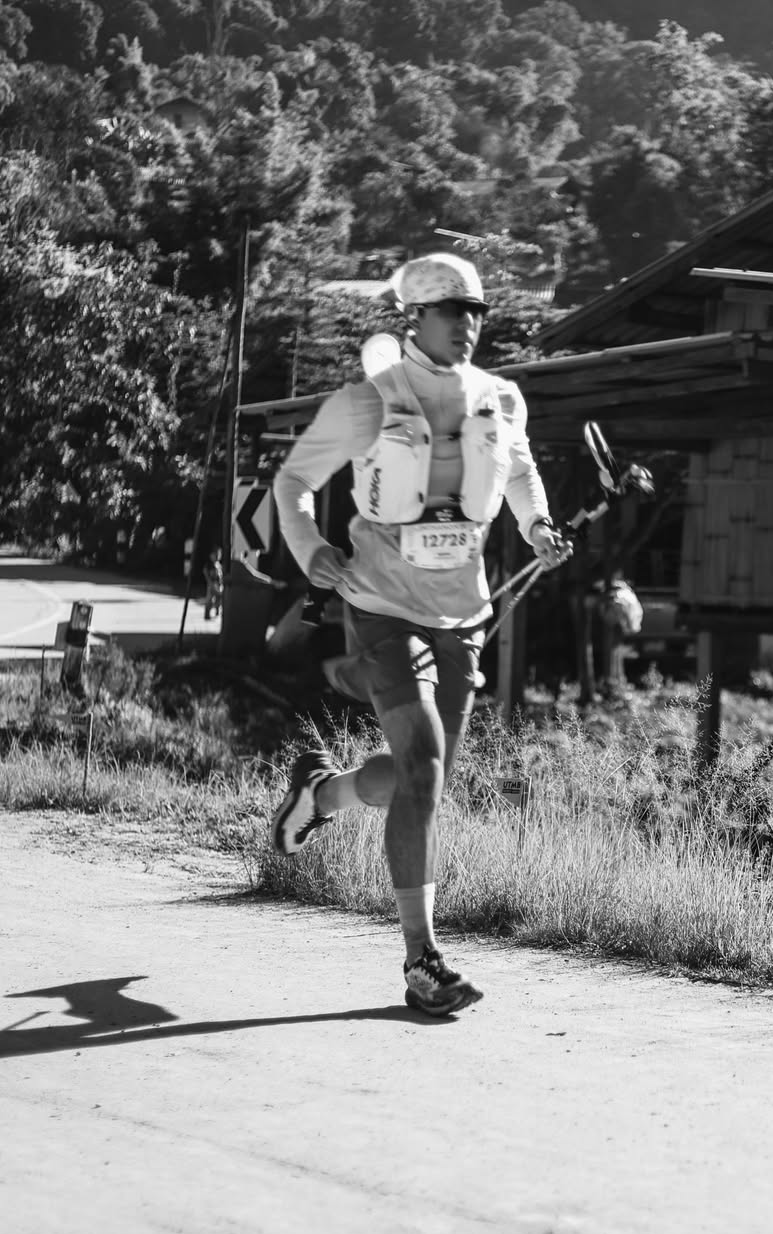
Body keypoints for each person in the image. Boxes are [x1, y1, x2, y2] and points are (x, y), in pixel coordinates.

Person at [269, 252, 571, 1016]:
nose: (469, 324)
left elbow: (520, 473)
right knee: (425, 766)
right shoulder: (366, 402)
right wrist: (312, 550)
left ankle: (322, 794)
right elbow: (292, 484)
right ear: (417, 318)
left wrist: (537, 526)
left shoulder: (500, 398)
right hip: (380, 603)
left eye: (476, 312)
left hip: (463, 610)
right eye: (453, 311)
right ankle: (421, 960)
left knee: (420, 780)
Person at [203, 549, 223, 621]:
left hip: (218, 584)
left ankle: (217, 613)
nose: (217, 556)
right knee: (209, 599)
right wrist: (209, 582)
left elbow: (220, 574)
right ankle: (207, 614)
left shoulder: (218, 564)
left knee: (218, 599)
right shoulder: (209, 564)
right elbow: (205, 572)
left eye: (218, 554)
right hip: (212, 583)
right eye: (215, 555)